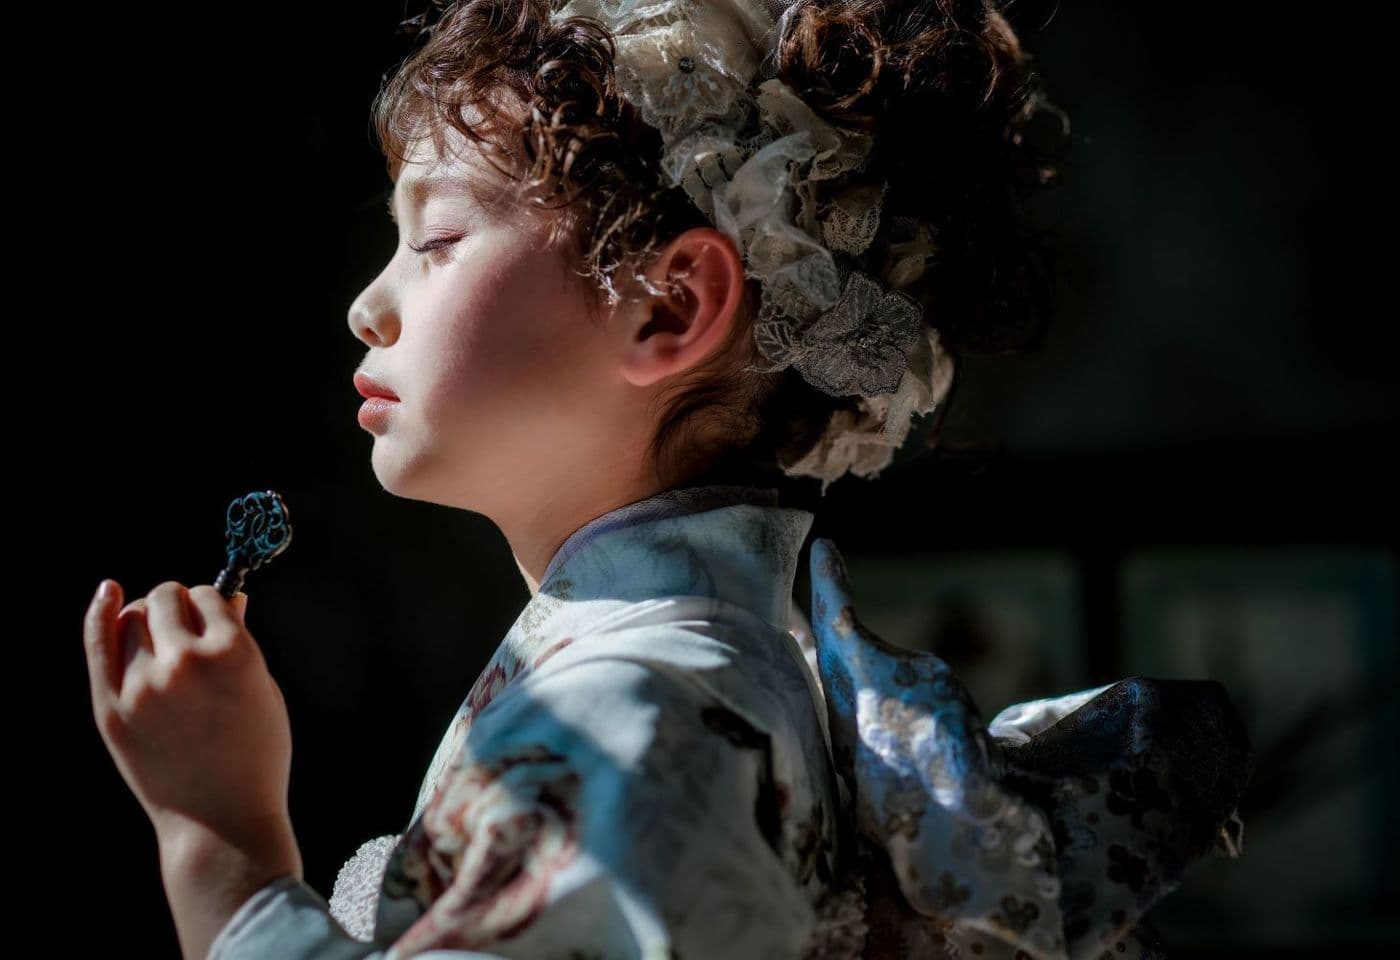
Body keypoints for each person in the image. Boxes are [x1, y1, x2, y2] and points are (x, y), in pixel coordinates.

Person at [80, 2, 1254, 959]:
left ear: (670, 306)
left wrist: (220, 839)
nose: (366, 305)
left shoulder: (636, 703)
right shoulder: (689, 672)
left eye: (435, 242)